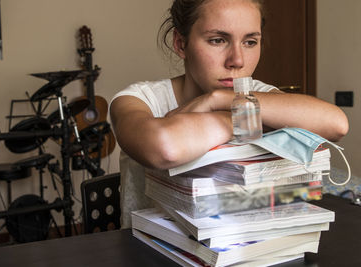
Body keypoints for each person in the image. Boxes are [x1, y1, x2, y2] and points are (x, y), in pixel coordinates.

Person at [110, 0, 349, 228]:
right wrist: (242, 118)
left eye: (250, 42)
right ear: (181, 44)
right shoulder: (139, 100)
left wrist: (220, 99)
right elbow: (165, 147)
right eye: (217, 40)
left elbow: (336, 124)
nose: (237, 60)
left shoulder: (258, 93)